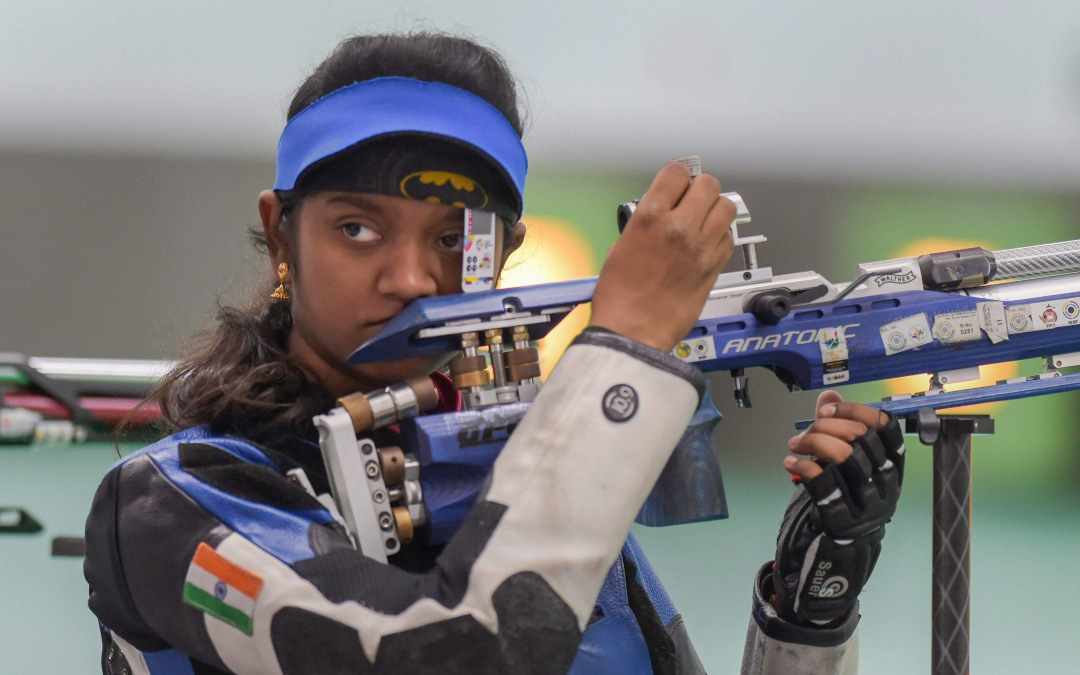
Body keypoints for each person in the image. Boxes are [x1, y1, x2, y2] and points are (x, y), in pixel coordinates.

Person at [83, 32, 905, 675]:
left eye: (454, 239)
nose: (410, 276)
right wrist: (622, 352)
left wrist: (810, 609)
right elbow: (455, 655)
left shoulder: (524, 482)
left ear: (504, 255)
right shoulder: (170, 504)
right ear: (280, 233)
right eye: (356, 229)